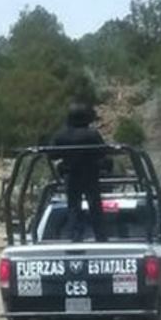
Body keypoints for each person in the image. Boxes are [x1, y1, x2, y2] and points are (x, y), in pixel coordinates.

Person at [50, 103, 109, 242]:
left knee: (73, 207)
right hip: (90, 174)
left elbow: (52, 154)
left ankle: (76, 237)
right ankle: (100, 236)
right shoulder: (92, 134)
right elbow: (103, 152)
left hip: (71, 175)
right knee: (95, 206)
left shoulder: (61, 135)